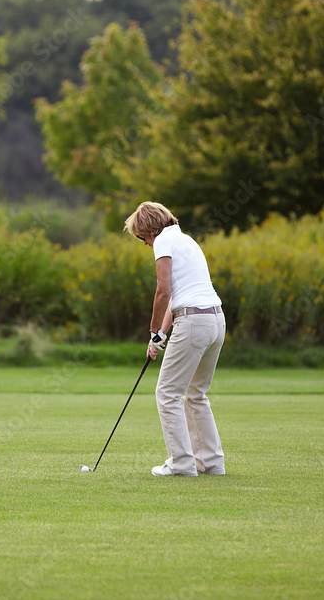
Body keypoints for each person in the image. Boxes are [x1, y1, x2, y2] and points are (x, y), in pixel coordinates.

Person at [124, 201, 226, 477]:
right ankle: (211, 463)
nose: (144, 243)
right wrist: (160, 335)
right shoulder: (187, 240)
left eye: (141, 237)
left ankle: (181, 463)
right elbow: (178, 297)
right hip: (216, 320)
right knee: (195, 394)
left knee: (167, 393)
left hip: (193, 322)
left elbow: (163, 291)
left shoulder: (162, 242)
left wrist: (153, 329)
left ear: (150, 228)